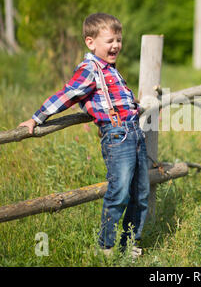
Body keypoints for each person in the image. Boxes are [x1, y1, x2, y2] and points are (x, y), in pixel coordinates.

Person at [18, 13, 149, 258]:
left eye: (119, 40)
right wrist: (36, 118)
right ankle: (106, 246)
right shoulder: (89, 69)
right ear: (91, 42)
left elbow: (115, 97)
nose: (116, 45)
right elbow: (66, 95)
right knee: (119, 192)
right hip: (118, 136)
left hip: (135, 133)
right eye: (110, 40)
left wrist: (134, 106)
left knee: (140, 193)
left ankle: (130, 242)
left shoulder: (110, 68)